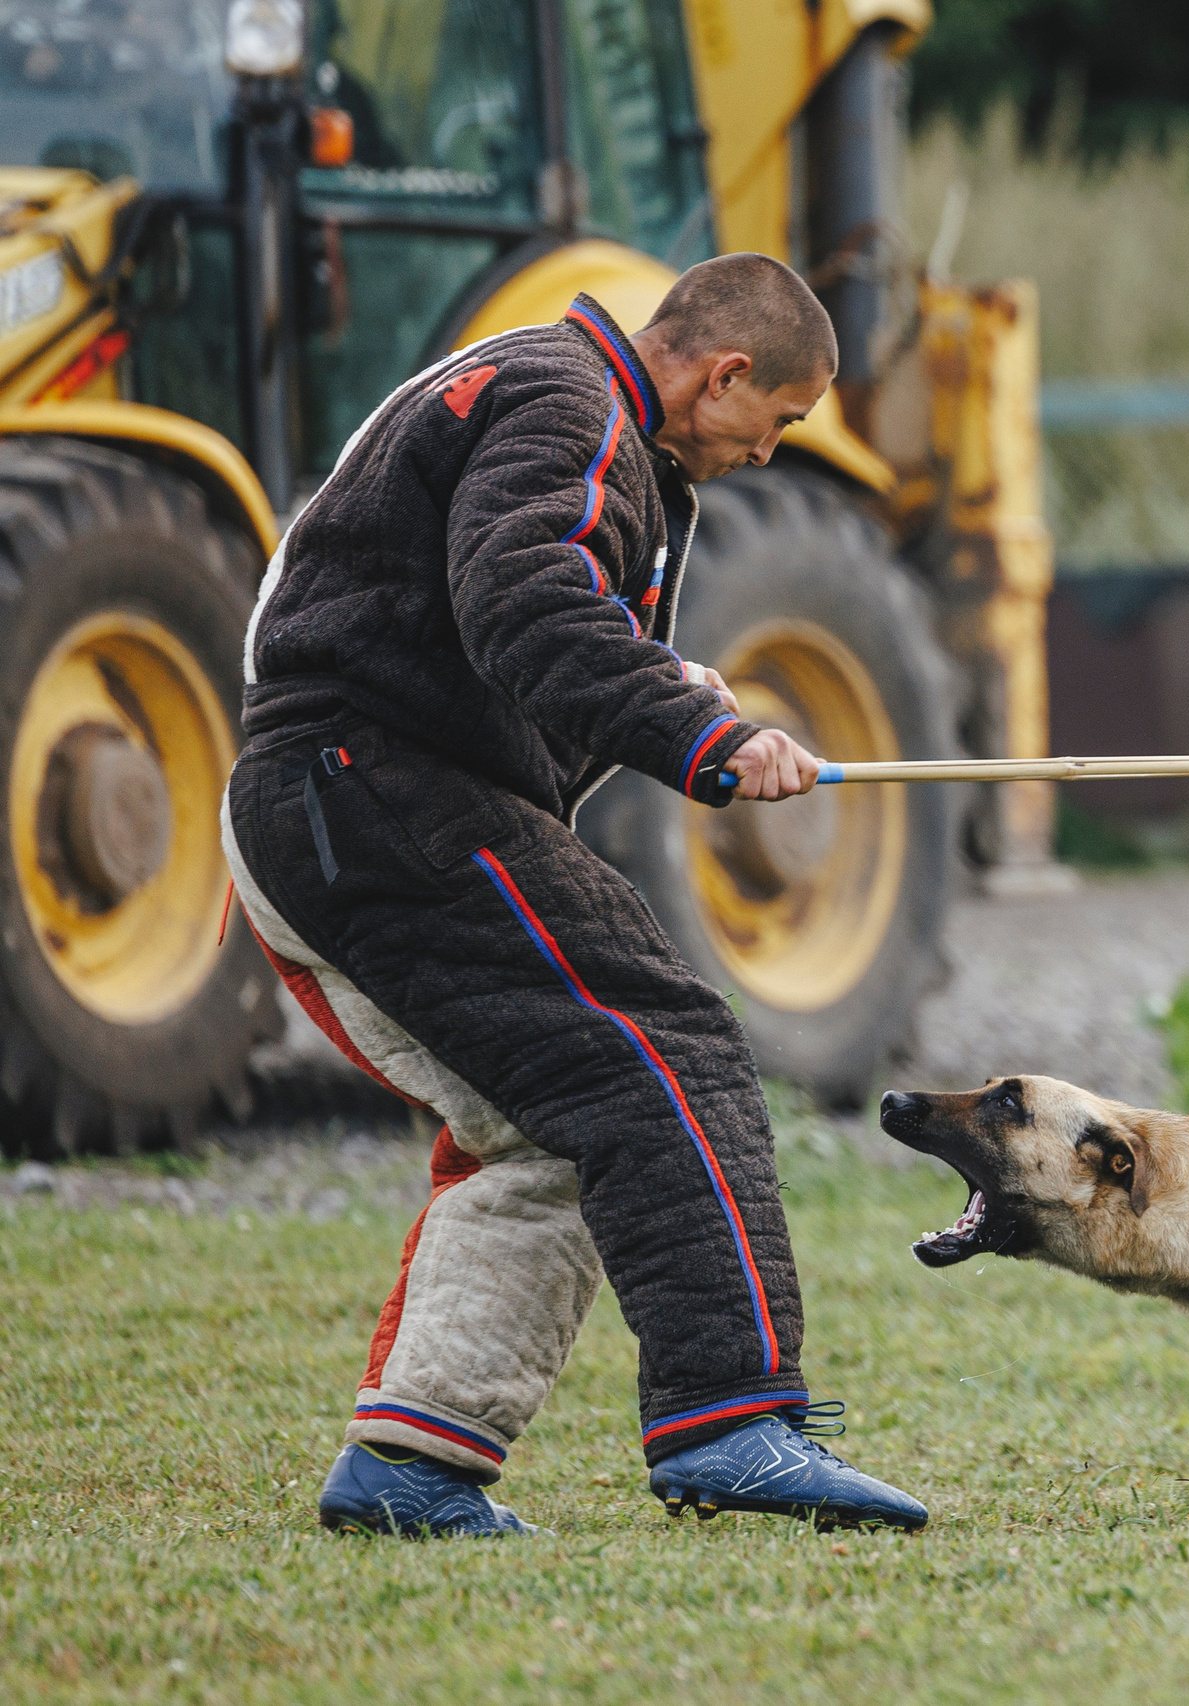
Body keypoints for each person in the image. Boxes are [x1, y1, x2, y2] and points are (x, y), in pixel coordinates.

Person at [222, 254, 929, 1537]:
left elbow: (485, 617)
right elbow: (525, 604)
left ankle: (411, 1465)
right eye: (776, 421)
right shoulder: (570, 400)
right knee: (665, 1041)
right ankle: (730, 1421)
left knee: (555, 1120)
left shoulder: (552, 395)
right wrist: (704, 737)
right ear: (724, 374)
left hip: (333, 798)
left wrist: (665, 682)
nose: (767, 454)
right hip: (371, 791)